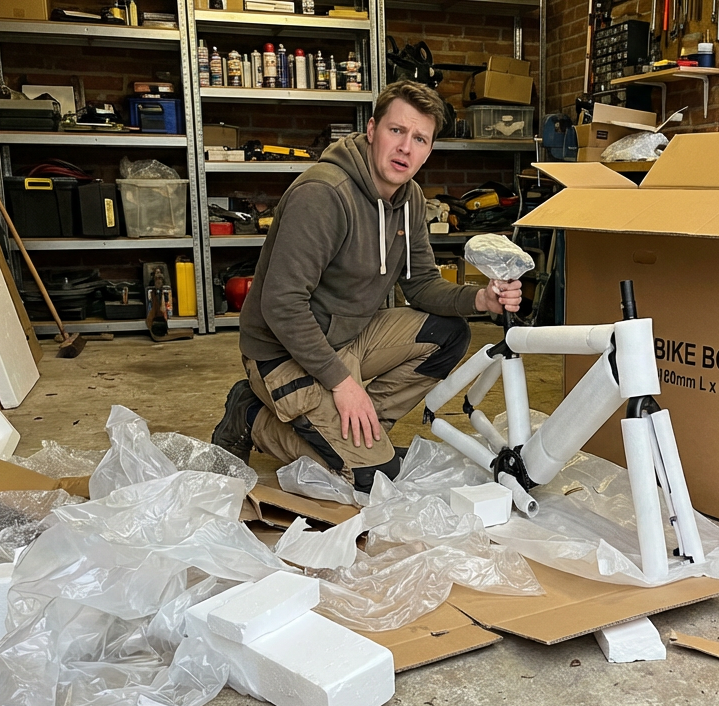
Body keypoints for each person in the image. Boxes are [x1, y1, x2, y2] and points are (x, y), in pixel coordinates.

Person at [212, 80, 522, 493]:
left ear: (429, 149)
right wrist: (343, 384)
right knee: (369, 479)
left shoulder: (409, 198)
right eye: (397, 131)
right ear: (373, 130)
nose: (406, 148)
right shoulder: (323, 194)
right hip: (282, 353)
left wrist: (481, 299)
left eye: (420, 139)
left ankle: (353, 431)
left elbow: (424, 285)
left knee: (447, 333)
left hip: (347, 338)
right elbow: (282, 304)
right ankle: (251, 417)